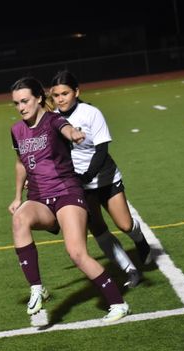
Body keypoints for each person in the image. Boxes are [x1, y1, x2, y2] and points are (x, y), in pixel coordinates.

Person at [9, 76, 129, 323]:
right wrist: (17, 196)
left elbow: (65, 128)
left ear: (39, 98)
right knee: (19, 219)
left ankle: (118, 303)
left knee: (76, 253)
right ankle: (37, 288)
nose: (21, 107)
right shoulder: (17, 130)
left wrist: (74, 134)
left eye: (25, 101)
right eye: (16, 103)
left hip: (67, 193)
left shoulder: (54, 120)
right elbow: (21, 162)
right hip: (39, 197)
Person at [50, 70, 152, 288]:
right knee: (97, 229)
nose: (60, 99)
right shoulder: (53, 119)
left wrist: (86, 176)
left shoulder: (91, 113)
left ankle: (140, 241)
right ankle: (131, 271)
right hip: (78, 184)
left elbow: (102, 150)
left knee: (124, 224)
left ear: (76, 92)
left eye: (65, 93)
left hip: (104, 176)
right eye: (56, 95)